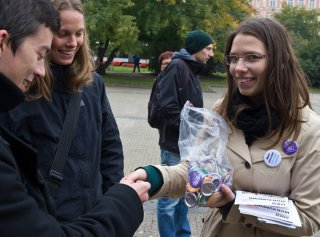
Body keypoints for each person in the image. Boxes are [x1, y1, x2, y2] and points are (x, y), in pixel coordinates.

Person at [124, 18, 320, 237]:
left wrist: (235, 205)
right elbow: (197, 169)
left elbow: (308, 218)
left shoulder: (309, 130)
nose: (238, 68)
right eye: (234, 58)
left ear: (280, 61)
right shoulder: (223, 111)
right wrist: (155, 176)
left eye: (252, 57)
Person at [0, 0, 150, 236]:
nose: (72, 43)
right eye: (63, 34)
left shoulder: (92, 84)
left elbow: (110, 147)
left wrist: (112, 200)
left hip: (94, 211)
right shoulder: (19, 91)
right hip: (47, 218)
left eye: (79, 33)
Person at [152, 30, 214, 237]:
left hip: (188, 146)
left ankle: (182, 234)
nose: (211, 54)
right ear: (196, 48)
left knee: (185, 195)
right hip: (174, 145)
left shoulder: (190, 68)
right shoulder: (177, 67)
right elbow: (166, 107)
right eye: (208, 48)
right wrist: (189, 132)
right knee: (169, 199)